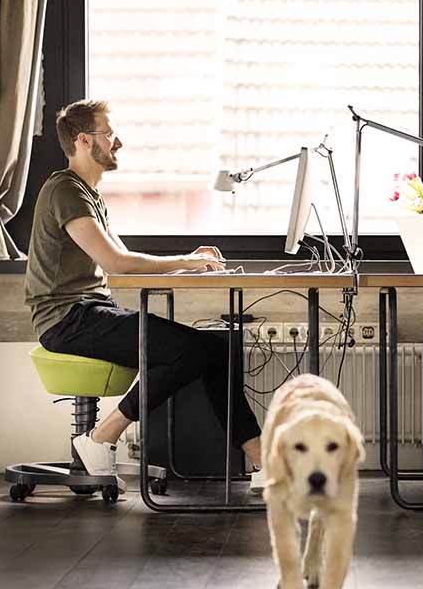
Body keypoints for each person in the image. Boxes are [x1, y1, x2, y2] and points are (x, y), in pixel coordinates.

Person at [24, 99, 266, 492]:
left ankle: (263, 461)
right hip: (67, 320)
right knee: (191, 350)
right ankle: (101, 436)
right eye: (110, 134)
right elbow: (116, 263)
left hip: (89, 312)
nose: (117, 143)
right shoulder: (65, 190)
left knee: (216, 351)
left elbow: (120, 258)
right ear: (85, 141)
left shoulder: (86, 194)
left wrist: (187, 259)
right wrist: (186, 262)